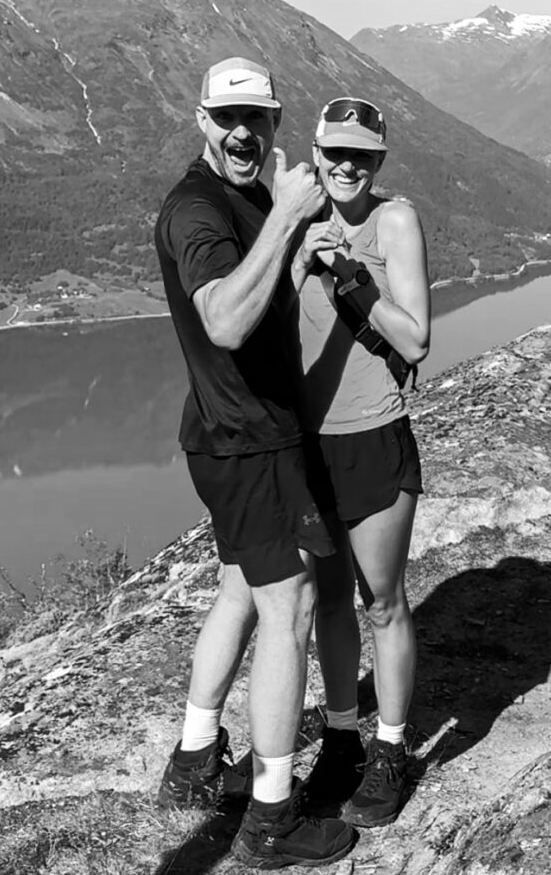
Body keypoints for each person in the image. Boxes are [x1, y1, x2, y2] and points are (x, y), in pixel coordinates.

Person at [154, 57, 356, 868]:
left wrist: (295, 259)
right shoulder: (196, 210)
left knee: (239, 589)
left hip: (229, 434)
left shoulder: (241, 198)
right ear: (201, 120)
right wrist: (288, 218)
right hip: (249, 443)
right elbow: (225, 322)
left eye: (257, 118)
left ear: (274, 123)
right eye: (227, 118)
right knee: (289, 607)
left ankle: (194, 760)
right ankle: (272, 815)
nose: (243, 132)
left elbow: (260, 301)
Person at [291, 96, 430, 828]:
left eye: (361, 156)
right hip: (309, 443)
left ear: (378, 161)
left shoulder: (394, 221)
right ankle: (342, 736)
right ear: (315, 152)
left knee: (382, 601)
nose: (346, 166)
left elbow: (415, 339)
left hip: (373, 434)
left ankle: (391, 749)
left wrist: (349, 275)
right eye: (334, 153)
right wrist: (297, 259)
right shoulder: (295, 219)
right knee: (327, 601)